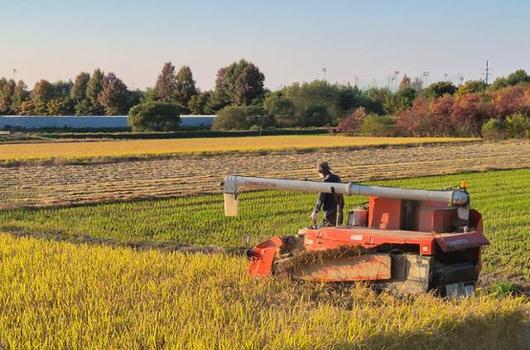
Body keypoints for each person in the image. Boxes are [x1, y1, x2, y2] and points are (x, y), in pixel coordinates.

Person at [310, 161, 344, 226]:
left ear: (321, 172)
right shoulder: (337, 178)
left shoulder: (325, 181)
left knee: (322, 232)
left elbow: (321, 198)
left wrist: (315, 212)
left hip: (330, 214)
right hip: (340, 212)